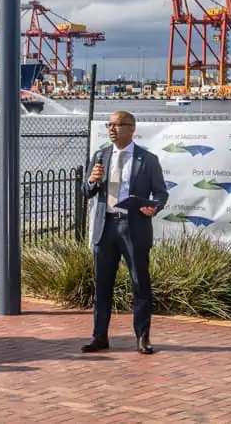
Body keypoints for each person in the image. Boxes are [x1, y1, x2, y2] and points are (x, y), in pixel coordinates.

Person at [80, 111, 168, 355]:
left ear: (132, 129)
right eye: (109, 125)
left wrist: (154, 206)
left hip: (133, 227)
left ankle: (142, 337)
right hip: (105, 226)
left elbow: (161, 192)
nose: (111, 129)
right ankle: (99, 336)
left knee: (140, 284)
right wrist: (91, 180)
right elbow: (86, 191)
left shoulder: (147, 160)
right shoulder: (100, 155)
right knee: (102, 285)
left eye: (117, 125)